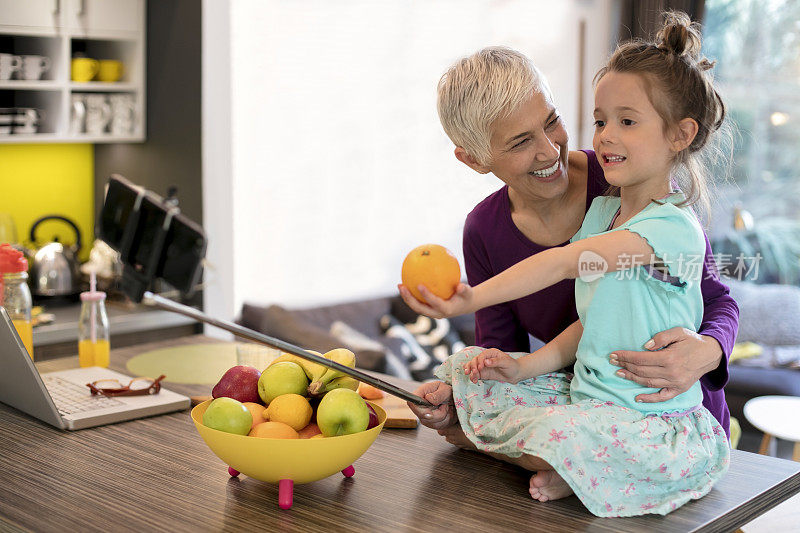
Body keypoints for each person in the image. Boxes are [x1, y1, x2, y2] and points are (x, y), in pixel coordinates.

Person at [400, 12, 731, 517]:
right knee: (465, 372)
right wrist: (471, 390)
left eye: (551, 120)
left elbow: (565, 265)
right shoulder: (582, 213)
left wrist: (707, 352)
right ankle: (553, 456)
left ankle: (561, 459)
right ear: (474, 159)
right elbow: (524, 343)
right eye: (519, 141)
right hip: (582, 397)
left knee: (541, 428)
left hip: (655, 412)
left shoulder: (638, 194)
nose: (552, 148)